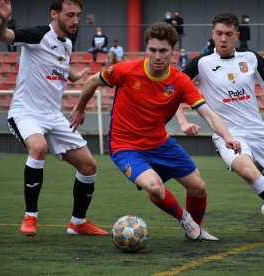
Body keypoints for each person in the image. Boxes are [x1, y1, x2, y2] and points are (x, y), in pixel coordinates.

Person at [69, 22, 241, 241]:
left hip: (160, 143)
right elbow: (93, 81)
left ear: (173, 52)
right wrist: (80, 108)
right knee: (155, 187)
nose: (157, 56)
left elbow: (206, 112)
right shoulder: (125, 70)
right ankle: (185, 221)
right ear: (146, 50)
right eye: (152, 50)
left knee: (198, 187)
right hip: (125, 147)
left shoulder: (180, 81)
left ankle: (195, 231)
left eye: (163, 51)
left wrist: (227, 136)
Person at [177, 12, 264, 239]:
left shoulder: (251, 59)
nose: (223, 39)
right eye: (219, 34)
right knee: (248, 172)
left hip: (257, 131)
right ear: (213, 34)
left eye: (228, 34)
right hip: (227, 134)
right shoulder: (201, 64)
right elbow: (173, 92)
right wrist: (182, 122)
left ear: (237, 35)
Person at [0, 0, 108, 237]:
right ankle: (30, 217)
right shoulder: (37, 35)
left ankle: (78, 223)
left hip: (53, 116)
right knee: (39, 147)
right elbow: (1, 35)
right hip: (26, 113)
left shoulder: (67, 44)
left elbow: (59, 67)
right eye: (70, 15)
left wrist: (74, 75)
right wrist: (3, 20)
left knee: (89, 166)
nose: (75, 21)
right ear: (54, 14)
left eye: (78, 15)